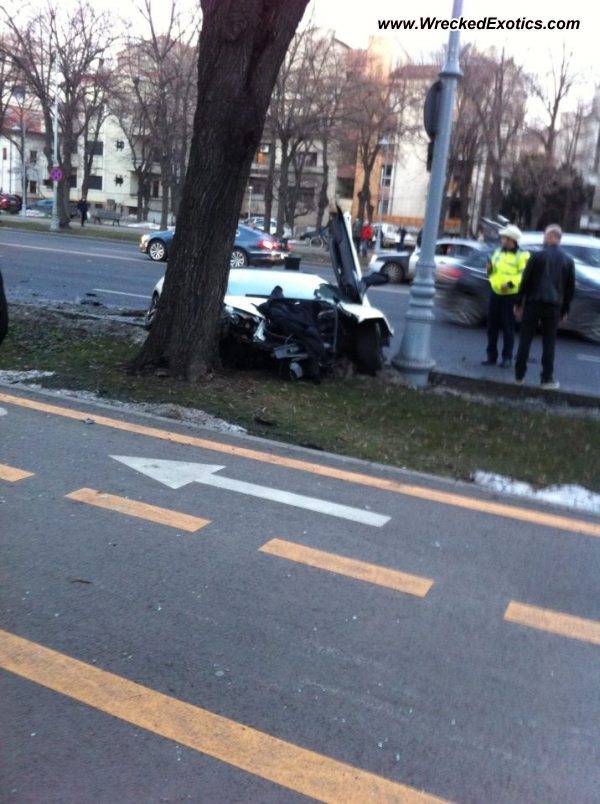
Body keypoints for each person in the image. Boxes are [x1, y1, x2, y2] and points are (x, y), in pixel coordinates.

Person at [514, 224, 575, 389]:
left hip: (533, 303)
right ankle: (546, 378)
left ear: (551, 237)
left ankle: (519, 376)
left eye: (545, 235)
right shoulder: (568, 260)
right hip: (553, 307)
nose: (543, 238)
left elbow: (525, 281)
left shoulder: (537, 256)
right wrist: (565, 309)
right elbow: (569, 289)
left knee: (525, 340)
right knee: (549, 343)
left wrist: (518, 302)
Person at [482, 224, 529, 369]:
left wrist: (509, 284)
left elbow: (524, 275)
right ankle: (491, 356)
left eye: (504, 238)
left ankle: (507, 358)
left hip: (510, 296)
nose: (502, 240)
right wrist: (489, 269)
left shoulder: (522, 256)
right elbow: (492, 271)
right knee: (492, 327)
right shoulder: (498, 252)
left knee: (508, 328)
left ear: (511, 240)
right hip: (495, 293)